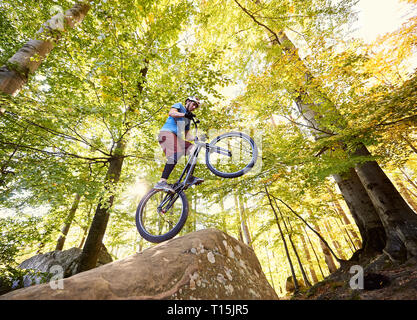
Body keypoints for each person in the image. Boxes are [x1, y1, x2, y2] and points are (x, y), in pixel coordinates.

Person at [154, 96, 204, 193]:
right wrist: (184, 114)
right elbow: (172, 113)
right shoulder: (179, 106)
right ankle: (162, 181)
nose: (194, 107)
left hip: (176, 138)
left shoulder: (188, 120)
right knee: (177, 152)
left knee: (194, 149)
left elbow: (187, 136)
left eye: (196, 107)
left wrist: (196, 138)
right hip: (166, 133)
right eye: (193, 104)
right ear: (188, 102)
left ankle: (189, 177)